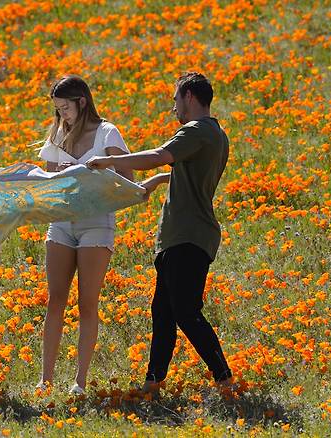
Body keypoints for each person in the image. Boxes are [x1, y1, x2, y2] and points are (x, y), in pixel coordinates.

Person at [86, 72, 233, 394]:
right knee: (164, 312)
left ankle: (224, 378)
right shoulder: (215, 134)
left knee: (185, 311)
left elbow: (157, 157)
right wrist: (158, 182)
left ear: (190, 97)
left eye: (176, 99)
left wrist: (107, 161)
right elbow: (191, 177)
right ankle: (154, 382)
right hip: (182, 235)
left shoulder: (196, 130)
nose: (174, 107)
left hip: (188, 235)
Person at [36, 75, 133, 395]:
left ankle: (79, 381)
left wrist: (97, 179)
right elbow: (47, 181)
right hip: (62, 223)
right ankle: (45, 379)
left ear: (81, 102)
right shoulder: (57, 135)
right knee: (55, 302)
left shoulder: (107, 132)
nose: (61, 114)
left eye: (65, 107)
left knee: (87, 303)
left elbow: (127, 179)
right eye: (57, 109)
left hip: (96, 224)